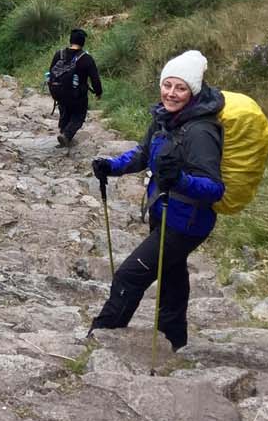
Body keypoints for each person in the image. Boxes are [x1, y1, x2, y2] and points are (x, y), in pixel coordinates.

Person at [88, 50, 224, 351]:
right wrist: (112, 166)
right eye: (167, 85)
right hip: (165, 213)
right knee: (172, 277)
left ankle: (103, 335)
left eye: (180, 88)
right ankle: (173, 339)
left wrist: (180, 180)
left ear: (193, 91)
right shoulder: (165, 119)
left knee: (130, 275)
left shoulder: (200, 131)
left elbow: (215, 188)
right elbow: (142, 154)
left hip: (186, 223)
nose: (171, 93)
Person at [48, 28, 102, 147]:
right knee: (78, 115)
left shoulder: (59, 54)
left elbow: (51, 72)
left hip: (60, 92)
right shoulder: (86, 58)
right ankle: (66, 135)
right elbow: (95, 78)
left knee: (64, 111)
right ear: (83, 42)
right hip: (77, 95)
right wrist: (98, 92)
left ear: (70, 41)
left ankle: (63, 132)